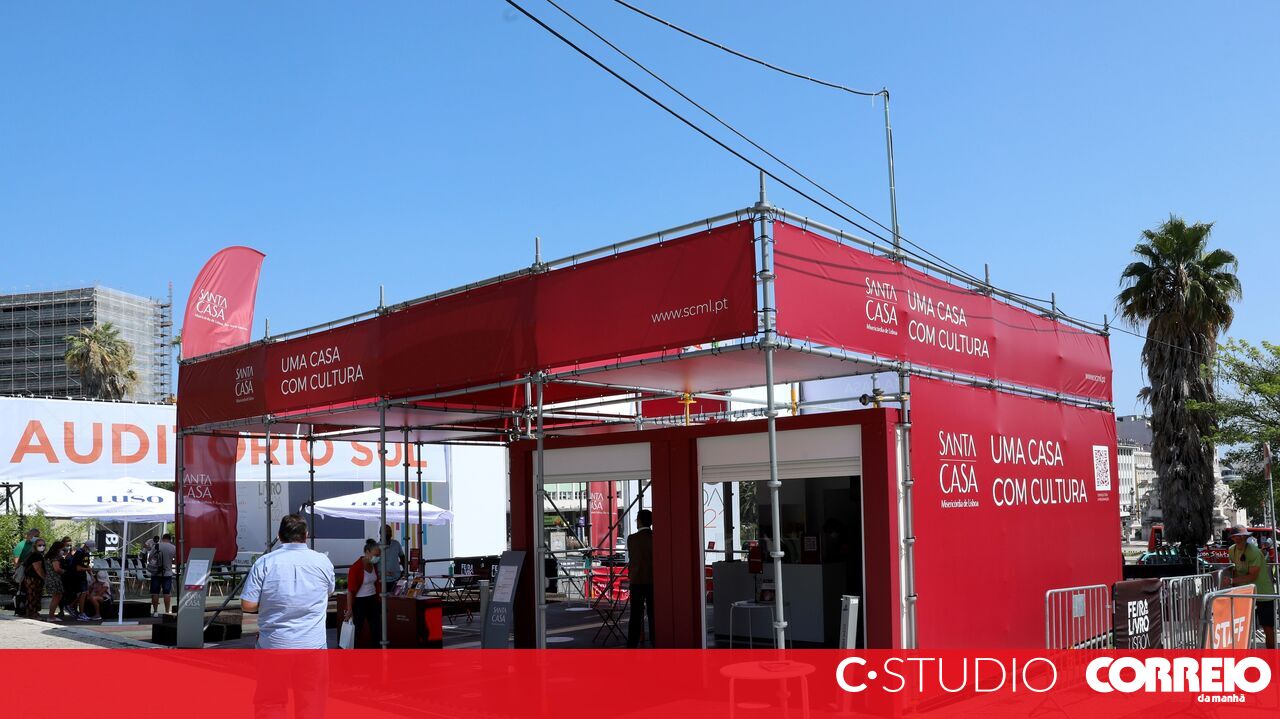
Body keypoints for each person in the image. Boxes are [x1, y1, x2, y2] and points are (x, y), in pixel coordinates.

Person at [241, 514, 335, 648]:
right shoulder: (323, 562)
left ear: (279, 535)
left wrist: (271, 601)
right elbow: (329, 592)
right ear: (306, 535)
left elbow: (248, 605)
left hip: (274, 643)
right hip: (313, 643)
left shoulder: (264, 563)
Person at [1229, 524, 1276, 649]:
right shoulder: (1231, 550)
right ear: (1233, 538)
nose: (1241, 538)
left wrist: (1231, 581)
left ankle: (1272, 656)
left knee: (1268, 628)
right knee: (1243, 627)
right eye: (1238, 536)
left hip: (1263, 594)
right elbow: (1236, 569)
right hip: (1245, 594)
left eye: (1244, 536)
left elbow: (1252, 576)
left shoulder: (1253, 551)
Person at [345, 539, 383, 648]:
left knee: (376, 629)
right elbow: (350, 590)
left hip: (373, 600)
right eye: (376, 555)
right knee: (356, 630)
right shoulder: (356, 567)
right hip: (360, 602)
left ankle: (377, 652)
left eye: (379, 555)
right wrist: (349, 609)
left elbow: (376, 583)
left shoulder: (374, 565)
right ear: (367, 552)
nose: (378, 557)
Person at [626, 509, 655, 648]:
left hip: (636, 580)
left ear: (640, 521)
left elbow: (632, 559)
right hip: (653, 581)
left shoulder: (632, 539)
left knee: (635, 615)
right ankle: (655, 641)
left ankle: (632, 643)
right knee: (653, 613)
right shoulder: (655, 537)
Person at [10, 527, 40, 615]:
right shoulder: (21, 545)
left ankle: (31, 610)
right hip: (25, 573)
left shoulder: (35, 545)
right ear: (29, 535)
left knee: (33, 592)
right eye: (35, 536)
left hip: (34, 573)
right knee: (25, 592)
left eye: (38, 536)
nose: (37, 538)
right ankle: (23, 610)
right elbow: (16, 562)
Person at [148, 533, 177, 616]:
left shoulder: (156, 546)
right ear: (170, 539)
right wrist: (170, 561)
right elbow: (176, 560)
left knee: (155, 593)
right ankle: (167, 611)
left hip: (156, 573)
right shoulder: (173, 548)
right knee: (167, 593)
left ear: (162, 538)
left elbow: (150, 558)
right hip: (167, 573)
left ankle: (155, 611)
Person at [66, 540, 94, 620]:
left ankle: (71, 606)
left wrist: (91, 575)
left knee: (83, 593)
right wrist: (88, 569)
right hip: (77, 576)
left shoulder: (86, 554)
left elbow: (86, 565)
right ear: (86, 546)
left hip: (82, 576)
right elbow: (78, 568)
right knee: (83, 593)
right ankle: (81, 613)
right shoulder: (79, 553)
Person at [21, 538, 47, 619]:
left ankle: (32, 613)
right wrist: (45, 578)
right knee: (33, 596)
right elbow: (38, 569)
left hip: (30, 578)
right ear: (35, 546)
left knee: (32, 595)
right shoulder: (36, 555)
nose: (42, 546)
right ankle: (32, 613)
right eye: (40, 545)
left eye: (43, 545)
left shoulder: (31, 554)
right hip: (33, 579)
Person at [43, 540, 68, 622]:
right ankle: (51, 616)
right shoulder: (54, 558)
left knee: (56, 597)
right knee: (57, 597)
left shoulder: (48, 557)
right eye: (62, 549)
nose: (63, 551)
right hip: (55, 579)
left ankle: (51, 615)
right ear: (58, 549)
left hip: (50, 578)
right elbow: (57, 569)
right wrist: (64, 571)